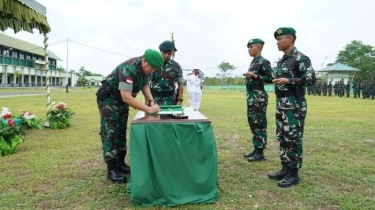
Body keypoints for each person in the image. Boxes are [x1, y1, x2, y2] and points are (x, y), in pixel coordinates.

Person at [96, 49, 163, 183]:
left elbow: (145, 85)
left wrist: (151, 101)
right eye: (152, 68)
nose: (153, 71)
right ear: (144, 60)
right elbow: (126, 97)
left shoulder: (146, 69)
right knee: (111, 132)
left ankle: (120, 162)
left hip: (121, 100)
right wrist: (149, 109)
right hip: (109, 99)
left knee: (121, 131)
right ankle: (111, 168)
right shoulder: (129, 69)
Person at [269, 27, 316, 188]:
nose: (277, 42)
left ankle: (294, 174)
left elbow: (311, 79)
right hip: (281, 103)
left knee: (293, 138)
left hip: (294, 104)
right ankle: (285, 168)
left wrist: (288, 81)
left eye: (280, 39)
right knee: (282, 137)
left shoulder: (301, 58)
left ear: (290, 39)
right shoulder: (283, 59)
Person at [242, 38, 274, 162]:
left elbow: (270, 78)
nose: (249, 50)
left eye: (252, 47)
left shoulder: (264, 61)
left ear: (259, 48)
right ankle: (256, 149)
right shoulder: (254, 61)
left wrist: (255, 75)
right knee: (253, 123)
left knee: (259, 123)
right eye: (248, 48)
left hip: (258, 97)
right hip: (251, 97)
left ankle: (260, 152)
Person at [150, 40, 184, 105]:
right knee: (153, 115)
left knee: (169, 115)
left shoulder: (176, 66)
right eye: (164, 53)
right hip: (154, 100)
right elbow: (146, 84)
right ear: (160, 51)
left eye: (169, 53)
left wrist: (180, 100)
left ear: (172, 53)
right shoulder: (153, 64)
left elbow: (180, 83)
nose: (166, 55)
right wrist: (148, 101)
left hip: (170, 100)